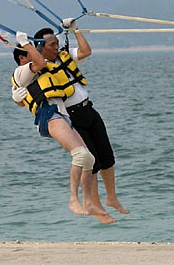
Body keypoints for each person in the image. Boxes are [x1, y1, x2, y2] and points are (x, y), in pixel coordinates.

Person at [10, 34, 114, 223]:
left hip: (63, 115)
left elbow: (50, 67)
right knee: (81, 156)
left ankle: (88, 202)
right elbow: (40, 62)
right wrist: (25, 42)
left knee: (89, 158)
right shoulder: (21, 71)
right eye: (29, 53)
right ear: (22, 58)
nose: (33, 56)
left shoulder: (36, 70)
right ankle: (73, 200)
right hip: (50, 116)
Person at [33, 19, 129, 217]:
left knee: (107, 156)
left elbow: (86, 51)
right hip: (73, 117)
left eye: (57, 42)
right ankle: (95, 204)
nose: (56, 46)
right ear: (41, 47)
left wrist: (75, 31)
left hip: (89, 110)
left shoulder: (64, 57)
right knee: (91, 162)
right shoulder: (39, 67)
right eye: (52, 44)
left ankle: (111, 197)